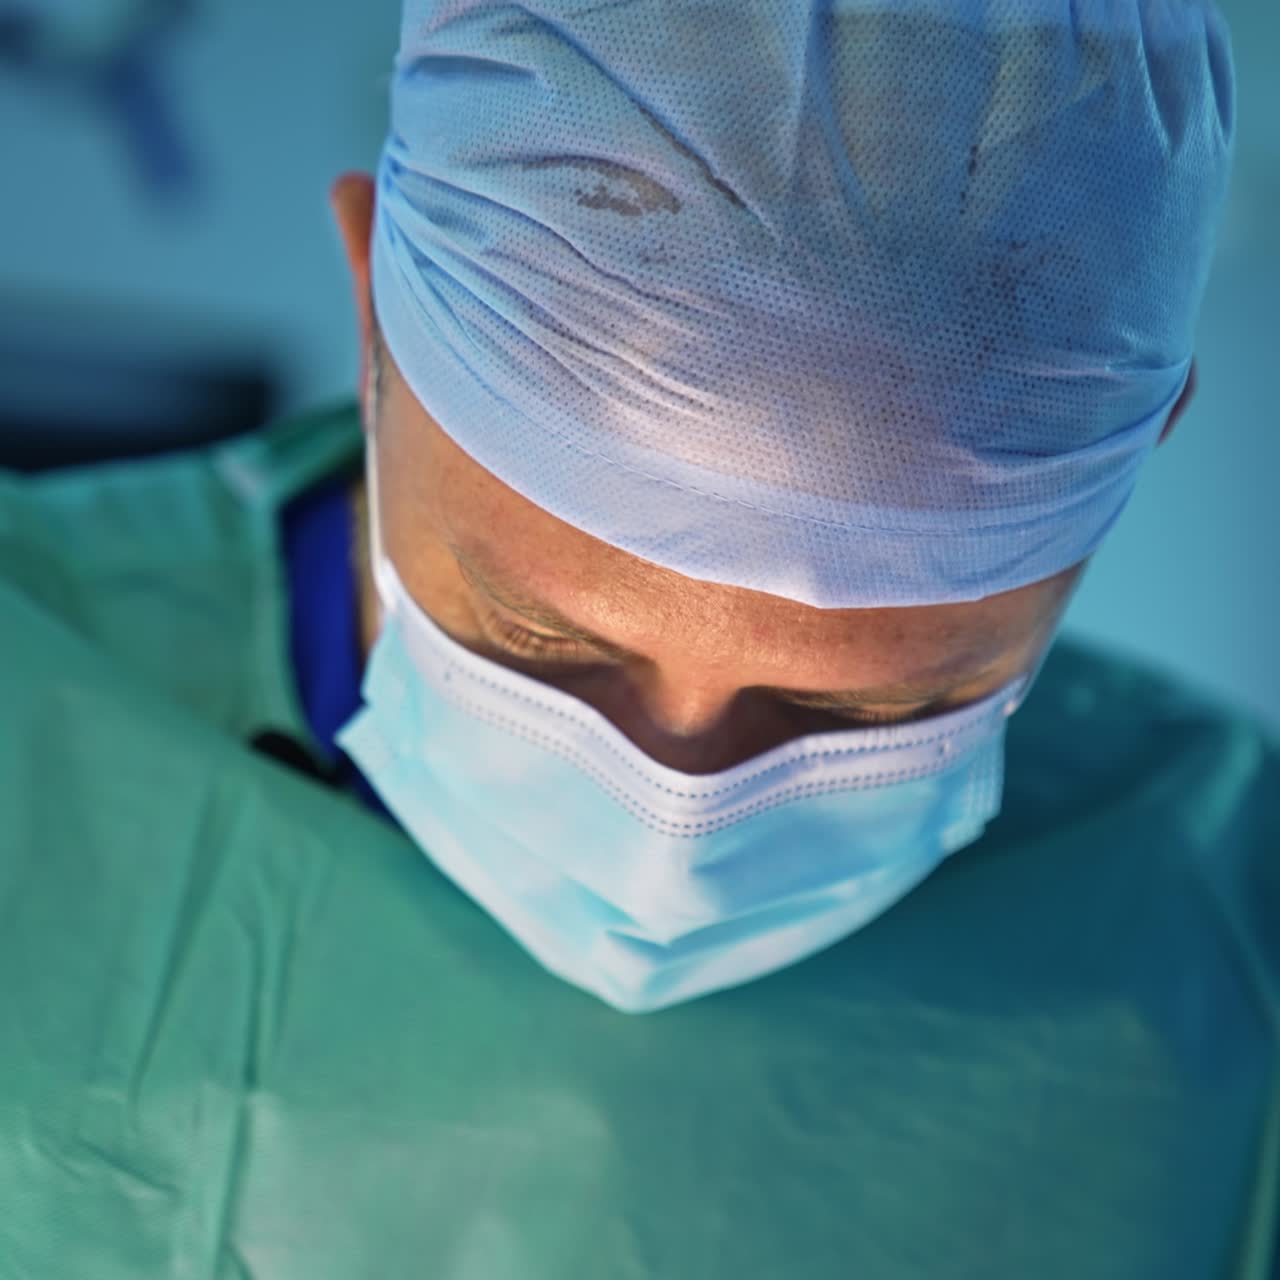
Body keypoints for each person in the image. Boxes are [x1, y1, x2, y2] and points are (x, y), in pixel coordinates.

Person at [1, 2, 1274, 1276]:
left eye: (859, 713)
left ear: (1143, 448)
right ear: (374, 305)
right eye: (540, 645)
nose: (674, 816)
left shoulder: (1229, 930)